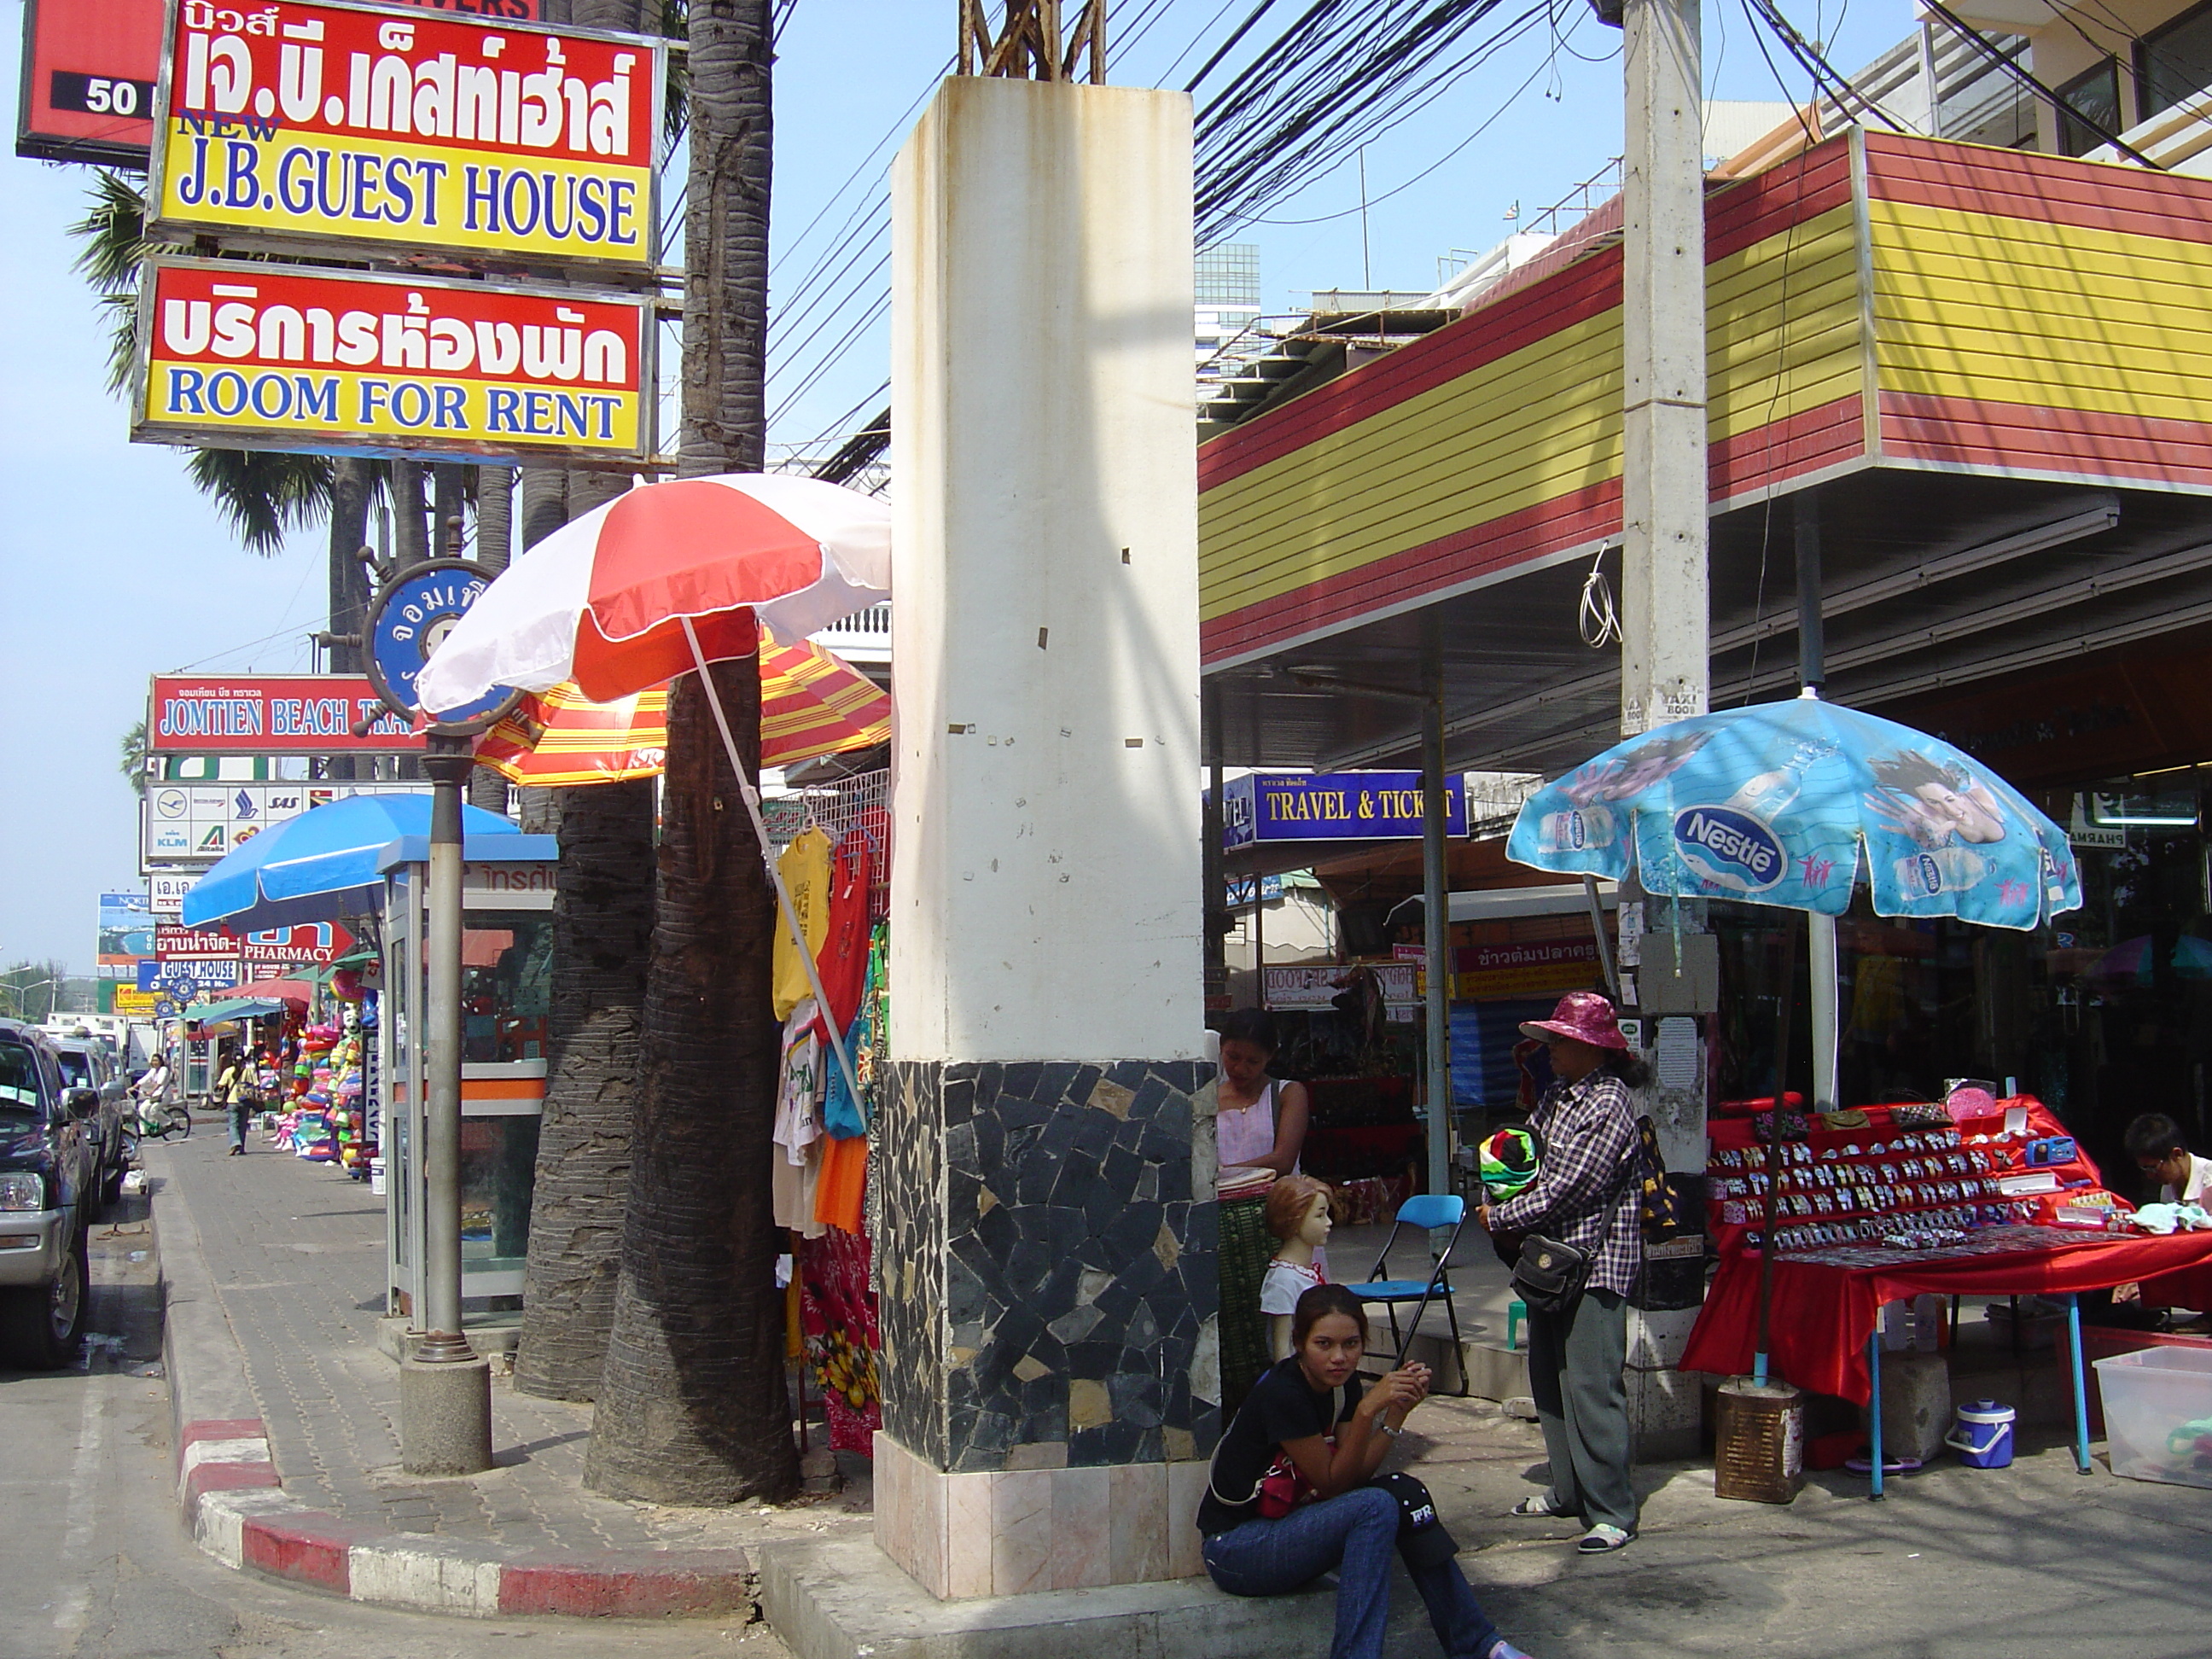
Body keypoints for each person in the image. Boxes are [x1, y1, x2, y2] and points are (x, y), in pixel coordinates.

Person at [1196, 1284, 1531, 1659]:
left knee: (1404, 1495)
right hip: (1236, 1550)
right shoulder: (1283, 1394)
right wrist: (1367, 1412)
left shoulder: (1343, 1386)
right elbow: (1332, 1483)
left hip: (1292, 1528)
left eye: (1351, 1344)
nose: (1339, 1357)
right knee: (1375, 1506)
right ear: (1299, 1343)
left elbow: (1351, 1476)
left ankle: (1479, 1645)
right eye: (1323, 1344)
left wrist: (1395, 1415)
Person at [1478, 991, 1644, 1555]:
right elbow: (1527, 1159)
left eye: (1562, 1042)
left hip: (1596, 1265)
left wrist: (1504, 1215)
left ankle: (1613, 1509)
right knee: (1550, 1380)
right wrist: (1497, 1184)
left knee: (1593, 1386)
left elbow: (1570, 1187)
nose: (1551, 1051)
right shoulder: (1556, 1098)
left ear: (1592, 1048)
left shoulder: (1609, 1102)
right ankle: (1569, 1490)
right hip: (1550, 1261)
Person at [1215, 1008, 1312, 1176]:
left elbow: (1283, 1161)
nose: (1240, 1069)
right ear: (1221, 1047)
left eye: (1253, 1061)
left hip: (1277, 1200)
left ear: (1270, 1056)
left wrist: (1221, 1174)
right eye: (1233, 1057)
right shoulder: (1208, 1099)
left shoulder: (1287, 1094)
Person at [1260, 1174, 1333, 1361]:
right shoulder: (1283, 1282)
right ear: (1295, 1220)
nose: (1328, 1222)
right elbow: (1282, 1351)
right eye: (1319, 1215)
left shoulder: (1305, 1273)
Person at [2126, 1113, 2212, 1206]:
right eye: (2145, 1169)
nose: (2150, 1176)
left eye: (2153, 1168)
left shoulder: (2209, 1179)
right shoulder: (2168, 1187)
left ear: (2177, 1154)